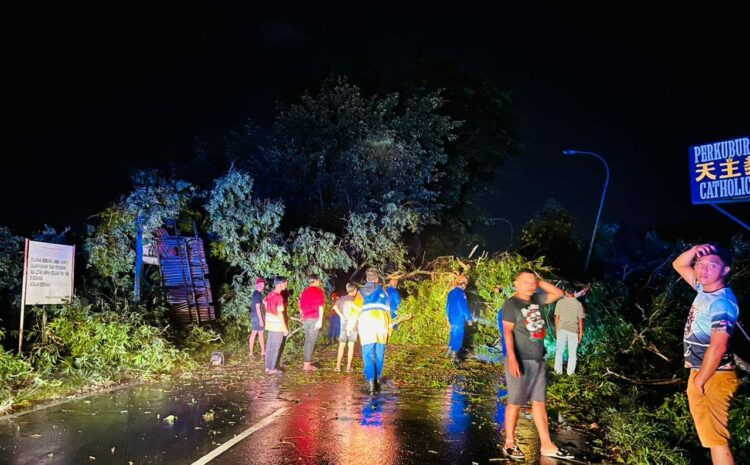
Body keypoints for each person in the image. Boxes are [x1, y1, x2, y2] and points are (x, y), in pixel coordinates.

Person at [672, 243, 740, 465]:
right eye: (700, 264)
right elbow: (679, 264)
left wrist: (700, 380)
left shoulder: (722, 302)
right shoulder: (703, 289)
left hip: (714, 376)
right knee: (711, 438)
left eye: (712, 265)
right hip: (703, 372)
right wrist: (694, 250)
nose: (703, 269)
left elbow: (718, 346)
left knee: (717, 440)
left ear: (725, 271)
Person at [501, 269, 573, 461]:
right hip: (519, 359)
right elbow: (507, 332)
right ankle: (509, 442)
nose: (530, 285)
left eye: (532, 282)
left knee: (539, 402)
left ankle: (547, 445)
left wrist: (537, 281)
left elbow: (558, 294)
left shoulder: (537, 299)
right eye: (525, 281)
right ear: (516, 283)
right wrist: (512, 358)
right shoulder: (511, 304)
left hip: (538, 359)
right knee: (515, 401)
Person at [349, 269, 391, 393]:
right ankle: (377, 379)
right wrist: (389, 329)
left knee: (367, 354)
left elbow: (355, 311)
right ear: (377, 279)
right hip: (381, 327)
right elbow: (388, 313)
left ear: (367, 279)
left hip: (367, 327)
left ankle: (371, 381)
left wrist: (350, 326)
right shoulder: (384, 293)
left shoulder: (361, 293)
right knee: (379, 353)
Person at [553, 285, 588, 375]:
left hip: (562, 329)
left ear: (565, 292)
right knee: (572, 353)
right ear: (574, 292)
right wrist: (581, 333)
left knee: (559, 352)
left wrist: (557, 330)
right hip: (573, 331)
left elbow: (557, 317)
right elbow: (580, 319)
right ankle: (570, 373)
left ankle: (558, 372)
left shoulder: (560, 302)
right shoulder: (578, 304)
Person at [299, 274, 326, 371]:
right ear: (316, 280)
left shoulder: (304, 292)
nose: (319, 282)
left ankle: (306, 362)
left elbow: (301, 306)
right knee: (311, 341)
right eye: (319, 280)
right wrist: (320, 320)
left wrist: (302, 316)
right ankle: (307, 365)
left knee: (308, 340)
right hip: (314, 318)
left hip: (306, 319)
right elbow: (321, 306)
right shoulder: (319, 291)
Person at [264, 277, 289, 374]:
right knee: (276, 347)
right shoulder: (279, 297)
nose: (286, 284)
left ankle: (268, 367)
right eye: (285, 283)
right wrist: (284, 328)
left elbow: (265, 304)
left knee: (270, 346)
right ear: (280, 285)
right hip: (277, 325)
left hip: (270, 325)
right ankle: (273, 368)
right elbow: (280, 314)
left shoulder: (270, 294)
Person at [446, 274, 474, 361]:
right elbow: (463, 307)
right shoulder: (461, 293)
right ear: (463, 283)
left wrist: (448, 317)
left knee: (453, 334)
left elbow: (447, 306)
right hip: (459, 318)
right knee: (458, 335)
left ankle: (449, 351)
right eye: (466, 283)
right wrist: (469, 318)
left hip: (452, 317)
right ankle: (454, 356)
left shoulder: (451, 292)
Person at [333, 282, 359, 372]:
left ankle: (338, 366)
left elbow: (335, 307)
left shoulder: (342, 298)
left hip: (343, 325)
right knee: (351, 346)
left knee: (341, 346)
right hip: (353, 326)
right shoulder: (356, 299)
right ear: (354, 290)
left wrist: (341, 316)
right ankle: (348, 367)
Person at [248, 277, 266, 359]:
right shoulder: (257, 294)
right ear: (256, 285)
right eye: (260, 284)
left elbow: (259, 306)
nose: (262, 286)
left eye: (263, 284)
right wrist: (261, 320)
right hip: (257, 317)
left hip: (255, 316)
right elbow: (258, 308)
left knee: (255, 333)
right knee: (260, 334)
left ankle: (251, 353)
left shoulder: (257, 294)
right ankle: (263, 352)